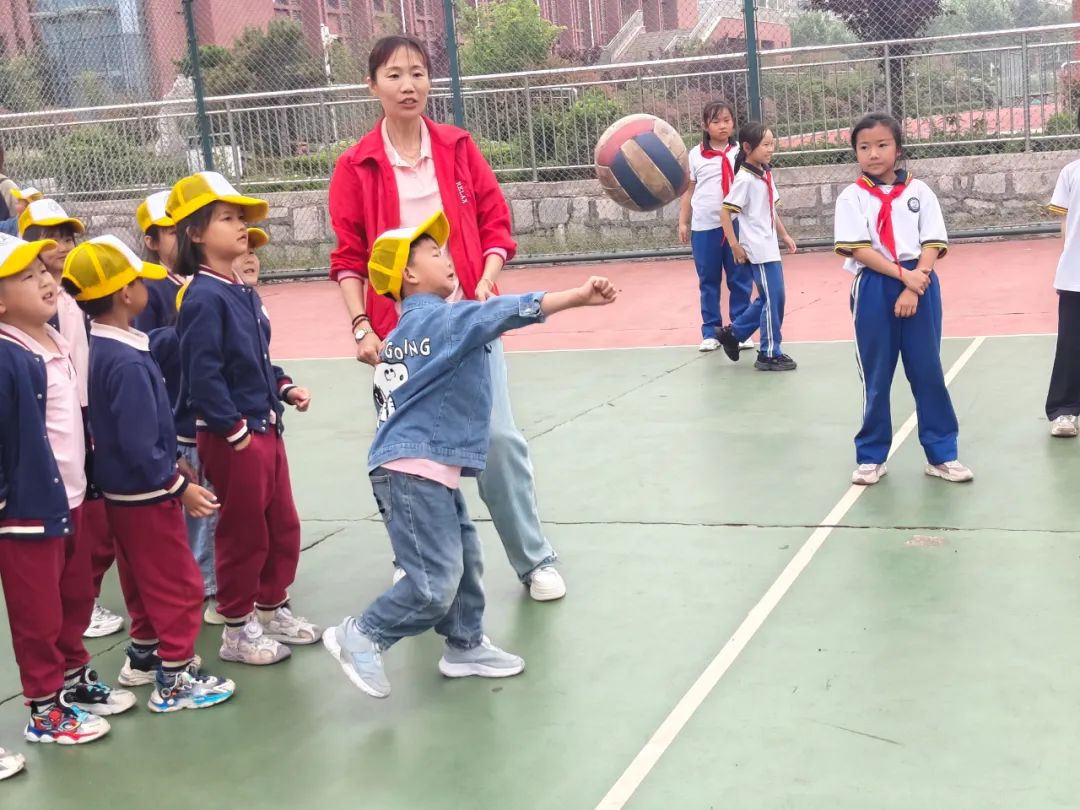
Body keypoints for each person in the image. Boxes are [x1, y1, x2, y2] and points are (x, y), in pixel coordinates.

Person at [323, 212, 616, 698]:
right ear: (409, 276)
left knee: (464, 558)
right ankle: (363, 635)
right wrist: (579, 296)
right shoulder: (448, 318)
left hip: (417, 469)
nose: (449, 256)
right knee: (433, 584)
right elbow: (509, 310)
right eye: (434, 253)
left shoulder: (398, 338)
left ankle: (464, 645)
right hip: (415, 472)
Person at [328, 34, 566, 602]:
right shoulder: (355, 165)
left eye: (417, 73)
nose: (407, 85)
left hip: (468, 323)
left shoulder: (458, 148)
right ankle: (414, 560)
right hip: (403, 338)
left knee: (499, 442)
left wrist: (486, 276)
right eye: (393, 75)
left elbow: (494, 222)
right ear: (373, 86)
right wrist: (362, 325)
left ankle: (534, 561)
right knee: (407, 454)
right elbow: (347, 256)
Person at [61, 235, 235, 712]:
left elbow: (131, 432)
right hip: (146, 495)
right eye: (140, 280)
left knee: (140, 581)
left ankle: (144, 655)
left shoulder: (105, 347)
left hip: (124, 493)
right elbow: (139, 442)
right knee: (179, 584)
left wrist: (169, 462)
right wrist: (179, 485)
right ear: (124, 294)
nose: (147, 288)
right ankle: (175, 678)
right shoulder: (128, 363)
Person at [170, 171, 320, 665]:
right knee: (242, 531)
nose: (241, 228)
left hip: (264, 426)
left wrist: (283, 386)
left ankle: (272, 604)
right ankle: (237, 625)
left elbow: (254, 360)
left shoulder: (241, 291)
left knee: (282, 523)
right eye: (228, 218)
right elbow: (203, 374)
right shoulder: (202, 297)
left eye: (241, 217)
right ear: (195, 233)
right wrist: (232, 430)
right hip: (234, 435)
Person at [0, 232, 133, 744]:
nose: (44, 280)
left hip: (72, 498)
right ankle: (44, 707)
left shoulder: (55, 340)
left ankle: (73, 678)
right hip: (28, 510)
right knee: (37, 611)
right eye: (26, 277)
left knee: (75, 596)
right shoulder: (8, 356)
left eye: (43, 271)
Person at [833, 112, 973, 485]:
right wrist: (901, 277)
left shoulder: (919, 192)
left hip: (921, 284)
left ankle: (942, 454)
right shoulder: (851, 197)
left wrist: (914, 285)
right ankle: (871, 456)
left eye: (882, 145)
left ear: (898, 148)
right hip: (876, 286)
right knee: (876, 375)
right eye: (864, 147)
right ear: (855, 152)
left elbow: (933, 242)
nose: (873, 153)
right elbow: (859, 250)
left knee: (927, 371)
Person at [20, 198, 126, 638]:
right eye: (50, 238)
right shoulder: (29, 315)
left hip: (88, 410)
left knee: (95, 515)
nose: (61, 246)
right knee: (71, 516)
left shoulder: (78, 295)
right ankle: (79, 605)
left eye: (66, 236)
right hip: (56, 418)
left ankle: (86, 596)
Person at [716, 122, 799, 371]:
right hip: (757, 249)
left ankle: (733, 334)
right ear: (748, 147)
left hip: (769, 245)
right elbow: (725, 212)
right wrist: (734, 245)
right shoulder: (745, 179)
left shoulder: (764, 173)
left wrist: (784, 235)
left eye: (772, 143)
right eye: (765, 144)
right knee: (774, 299)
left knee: (770, 298)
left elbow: (770, 209)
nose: (770, 149)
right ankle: (769, 353)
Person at [679, 99, 755, 353]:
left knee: (740, 278)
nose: (723, 126)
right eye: (716, 121)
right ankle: (711, 331)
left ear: (734, 123)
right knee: (708, 280)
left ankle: (739, 330)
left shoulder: (742, 152)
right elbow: (689, 191)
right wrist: (683, 221)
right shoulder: (695, 154)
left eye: (727, 120)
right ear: (705, 125)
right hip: (704, 228)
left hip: (736, 224)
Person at [1044, 115, 1080, 439]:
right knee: (1071, 344)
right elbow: (1065, 224)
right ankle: (1064, 410)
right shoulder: (1071, 172)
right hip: (1075, 277)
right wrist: (1069, 260)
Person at [132, 190, 184, 333]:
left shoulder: (201, 276)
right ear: (152, 242)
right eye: (173, 232)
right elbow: (148, 344)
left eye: (185, 229)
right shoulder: (147, 290)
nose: (184, 237)